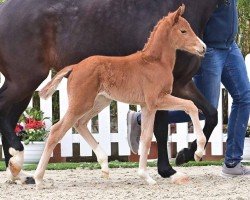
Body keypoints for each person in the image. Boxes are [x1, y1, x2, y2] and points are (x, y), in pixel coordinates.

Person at [127, 0, 250, 177]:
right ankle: (140, 119)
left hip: (230, 47)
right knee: (204, 110)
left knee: (244, 98)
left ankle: (232, 162)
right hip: (209, 49)